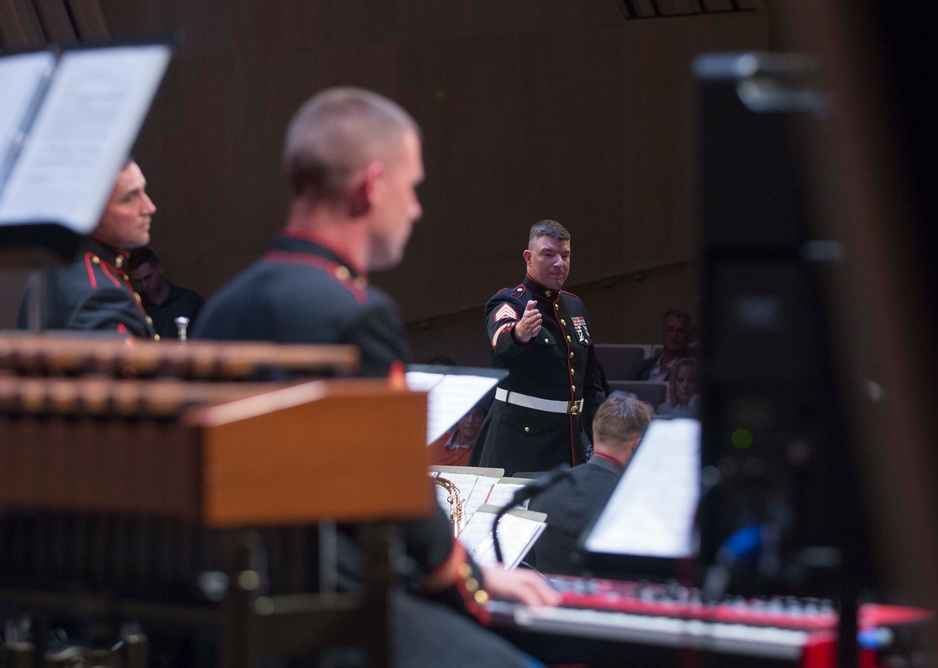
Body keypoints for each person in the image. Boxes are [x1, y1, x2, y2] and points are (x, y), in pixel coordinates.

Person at [193, 88, 558, 666]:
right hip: (337, 614)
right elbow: (398, 487)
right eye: (411, 188)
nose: (414, 208)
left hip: (231, 610)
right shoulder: (356, 312)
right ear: (372, 186)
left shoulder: (224, 307)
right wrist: (473, 580)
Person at [468, 220, 604, 475]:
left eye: (565, 255)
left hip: (569, 441)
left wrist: (603, 435)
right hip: (522, 444)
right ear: (528, 257)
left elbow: (590, 382)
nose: (559, 263)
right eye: (548, 254)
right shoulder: (511, 301)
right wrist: (519, 334)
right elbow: (500, 343)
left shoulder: (574, 306)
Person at [17, 160, 158, 339]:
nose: (149, 207)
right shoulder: (100, 294)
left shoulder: (55, 264)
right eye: (129, 198)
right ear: (91, 209)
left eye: (143, 191)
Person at [526, 394, 653, 575]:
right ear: (637, 446)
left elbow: (528, 568)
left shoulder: (544, 488)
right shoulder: (632, 503)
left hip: (544, 600)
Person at [127, 247, 204, 338]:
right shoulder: (135, 308)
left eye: (148, 278)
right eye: (139, 282)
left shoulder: (190, 303)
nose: (144, 285)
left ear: (160, 269)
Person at [635, 309, 694, 382]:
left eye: (681, 332)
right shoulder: (644, 366)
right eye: (670, 330)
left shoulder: (693, 368)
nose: (674, 336)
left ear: (688, 335)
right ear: (662, 332)